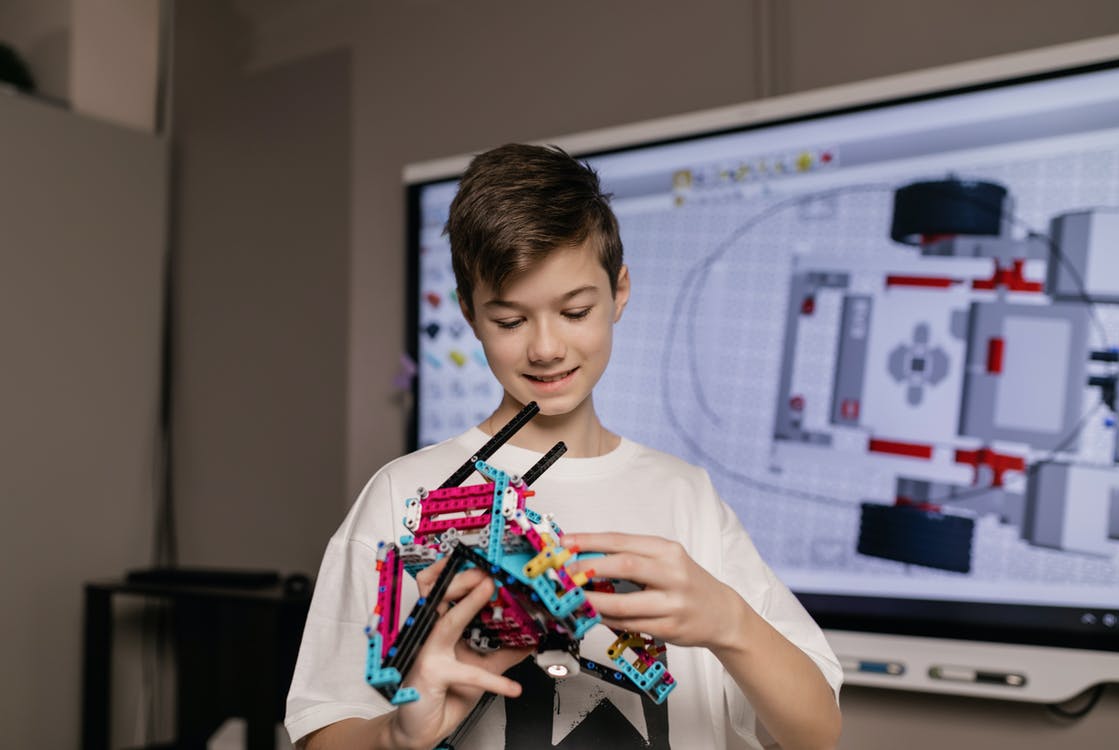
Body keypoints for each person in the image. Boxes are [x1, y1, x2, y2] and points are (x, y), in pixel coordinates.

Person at [285, 143, 843, 750]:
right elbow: (323, 730)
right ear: (471, 315)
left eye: (575, 311)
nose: (546, 348)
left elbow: (816, 733)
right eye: (510, 321)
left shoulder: (688, 498)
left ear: (619, 292)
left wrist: (730, 623)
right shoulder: (401, 497)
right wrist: (398, 736)